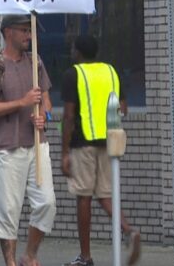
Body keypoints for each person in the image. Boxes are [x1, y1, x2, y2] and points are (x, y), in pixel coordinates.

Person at [0, 14, 56, 266]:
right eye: (24, 30)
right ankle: (10, 263)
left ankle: (30, 255)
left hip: (37, 145)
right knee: (8, 212)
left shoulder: (36, 62)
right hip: (5, 149)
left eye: (29, 31)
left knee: (47, 203)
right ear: (8, 32)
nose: (29, 36)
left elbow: (47, 101)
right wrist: (22, 102)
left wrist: (44, 116)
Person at [60, 35, 140, 266]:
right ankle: (129, 231)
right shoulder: (110, 71)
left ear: (78, 52)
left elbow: (68, 116)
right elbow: (123, 108)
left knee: (83, 197)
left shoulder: (73, 74)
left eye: (73, 48)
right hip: (108, 144)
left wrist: (64, 153)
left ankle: (85, 257)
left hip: (82, 143)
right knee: (105, 195)